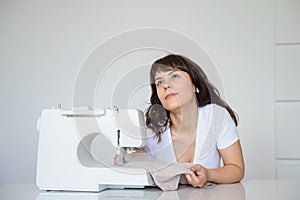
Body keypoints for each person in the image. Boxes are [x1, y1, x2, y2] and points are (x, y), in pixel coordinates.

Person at [143, 54, 244, 188]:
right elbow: (129, 165)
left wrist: (208, 175)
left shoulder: (216, 117)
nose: (165, 85)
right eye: (159, 82)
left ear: (195, 86)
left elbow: (236, 169)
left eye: (174, 76)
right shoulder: (151, 132)